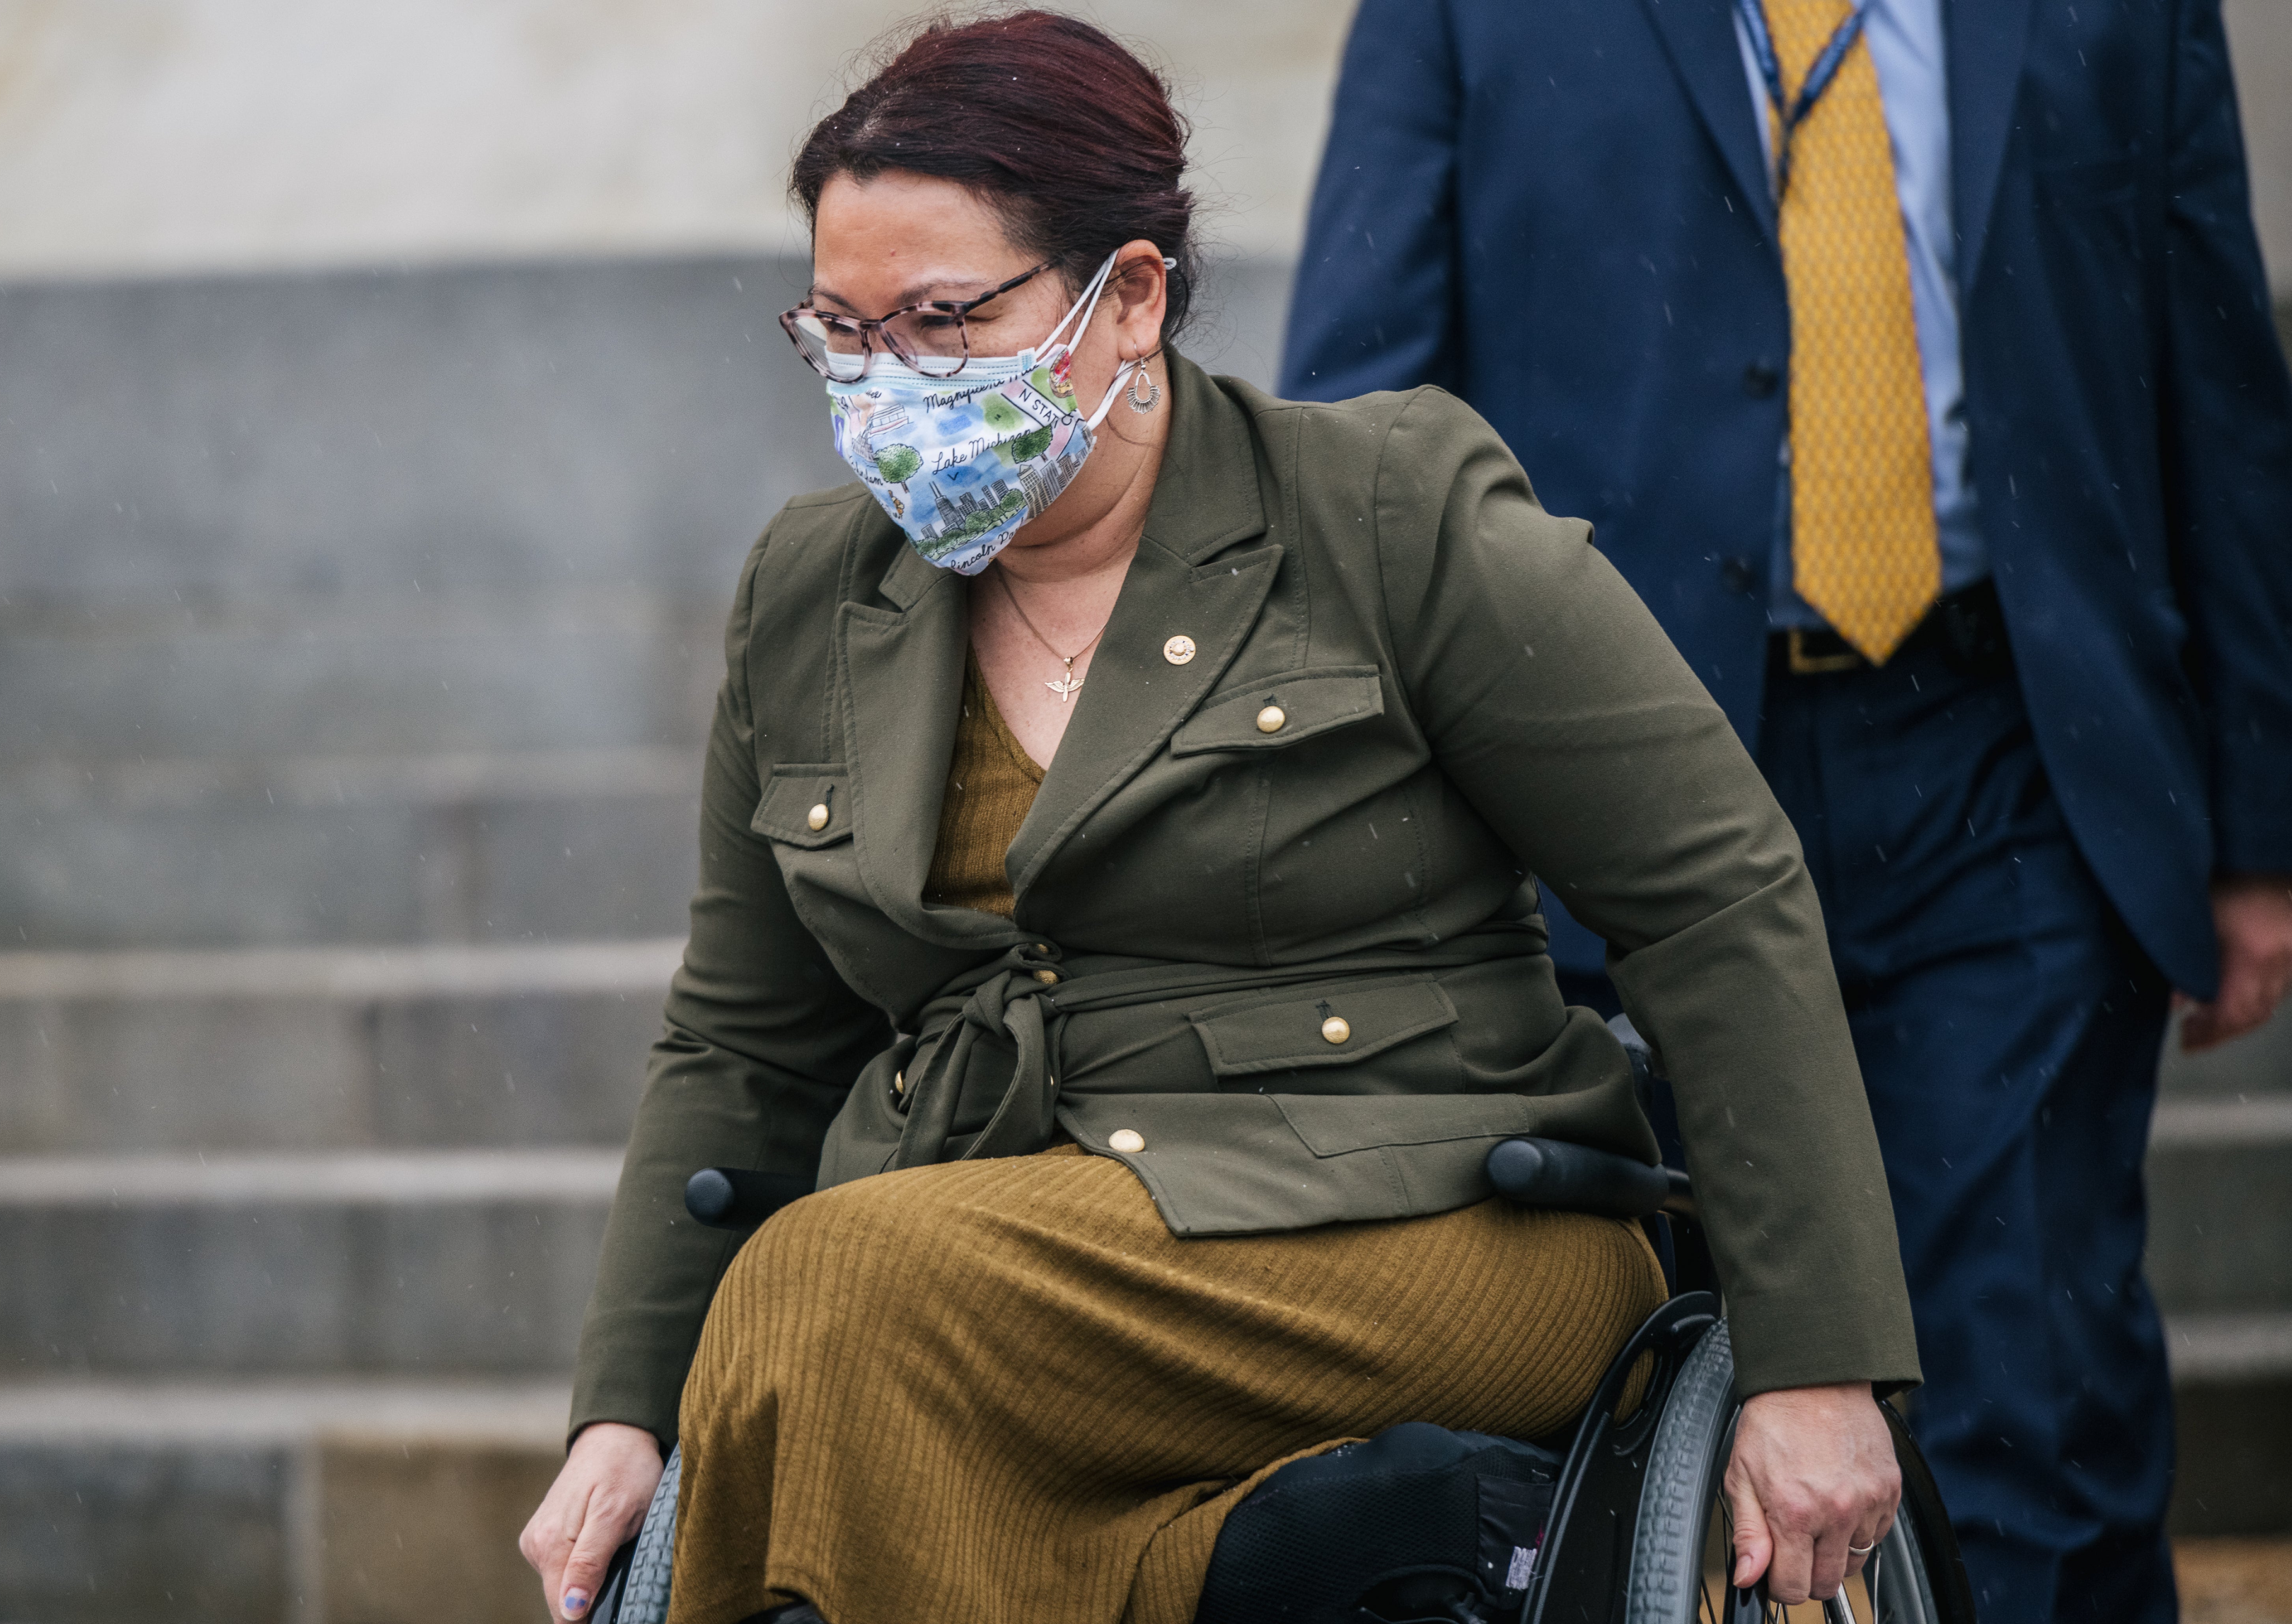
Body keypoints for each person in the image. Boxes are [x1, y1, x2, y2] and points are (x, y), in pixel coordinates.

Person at [521, 13, 1925, 1624]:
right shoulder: (812, 593)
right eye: (840, 332)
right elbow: (745, 1047)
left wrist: (1817, 1361)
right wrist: (627, 1410)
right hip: (1007, 1240)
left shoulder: (1384, 510)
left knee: (839, 1291)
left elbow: (1709, 897)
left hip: (1430, 1219)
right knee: (867, 1319)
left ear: (1129, 299)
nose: (883, 383)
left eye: (941, 321)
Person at [1279, 0, 2292, 1618]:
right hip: (1606, 775)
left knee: (2012, 1378)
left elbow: (2219, 370)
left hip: (2005, 756)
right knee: (1641, 1387)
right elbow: (1356, 405)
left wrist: (2257, 827)